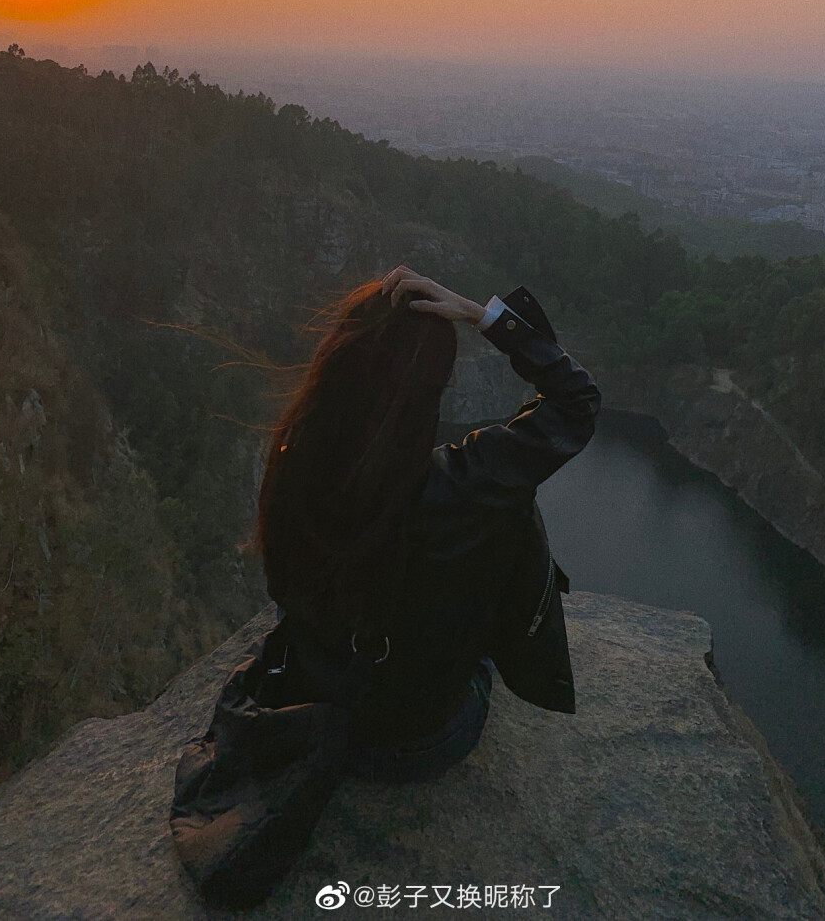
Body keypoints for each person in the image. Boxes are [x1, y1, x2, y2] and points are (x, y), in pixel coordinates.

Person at [249, 264, 601, 783]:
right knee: (510, 503)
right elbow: (576, 402)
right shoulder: (461, 484)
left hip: (322, 707)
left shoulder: (294, 456)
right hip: (421, 738)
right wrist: (484, 317)